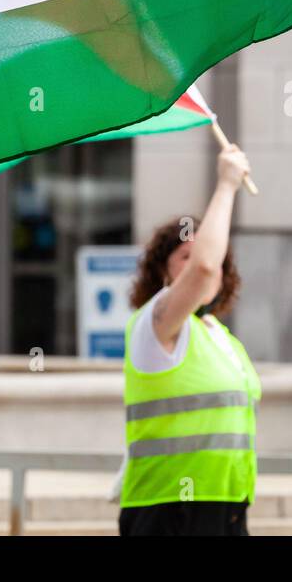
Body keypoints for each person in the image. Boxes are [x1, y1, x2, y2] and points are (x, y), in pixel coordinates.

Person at [117, 144, 260, 535]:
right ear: (162, 271)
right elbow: (203, 268)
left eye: (208, 252)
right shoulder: (155, 323)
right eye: (184, 255)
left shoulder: (221, 337)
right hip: (168, 510)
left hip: (226, 504)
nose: (200, 261)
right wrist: (226, 184)